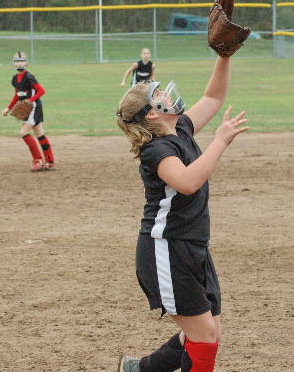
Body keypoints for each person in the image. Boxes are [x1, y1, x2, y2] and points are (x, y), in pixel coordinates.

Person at [116, 55, 249, 371]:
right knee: (204, 335)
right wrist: (220, 142)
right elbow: (187, 182)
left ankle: (140, 369)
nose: (166, 94)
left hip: (192, 245)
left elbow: (213, 97)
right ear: (152, 112)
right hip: (166, 249)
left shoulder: (181, 129)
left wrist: (224, 56)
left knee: (208, 331)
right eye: (159, 94)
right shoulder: (156, 150)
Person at [1, 52, 55, 171]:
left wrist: (30, 100)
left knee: (23, 132)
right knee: (40, 134)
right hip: (29, 109)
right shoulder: (15, 79)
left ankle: (38, 160)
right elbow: (17, 95)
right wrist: (8, 108)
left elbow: (41, 91)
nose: (19, 63)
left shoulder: (29, 77)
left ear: (26, 63)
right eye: (17, 61)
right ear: (13, 63)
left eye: (22, 61)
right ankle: (50, 161)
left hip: (34, 108)